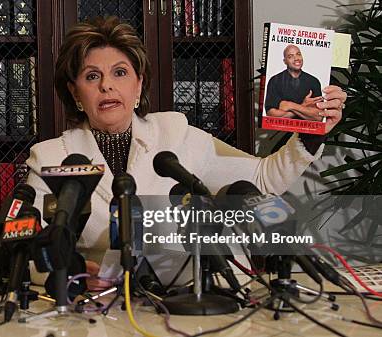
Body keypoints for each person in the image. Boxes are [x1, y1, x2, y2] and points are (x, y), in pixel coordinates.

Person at [25, 17, 346, 290]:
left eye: (120, 73)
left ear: (138, 85)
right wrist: (72, 269)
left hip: (195, 298)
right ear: (75, 92)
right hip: (107, 310)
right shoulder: (50, 158)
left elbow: (261, 180)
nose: (107, 85)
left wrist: (311, 133)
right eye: (92, 76)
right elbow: (26, 254)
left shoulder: (176, 133)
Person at [265, 44, 324, 121]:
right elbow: (271, 115)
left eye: (298, 54)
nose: (296, 58)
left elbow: (318, 117)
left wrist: (290, 105)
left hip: (307, 130)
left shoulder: (313, 81)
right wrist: (304, 105)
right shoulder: (275, 80)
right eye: (290, 56)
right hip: (282, 131)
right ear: (285, 61)